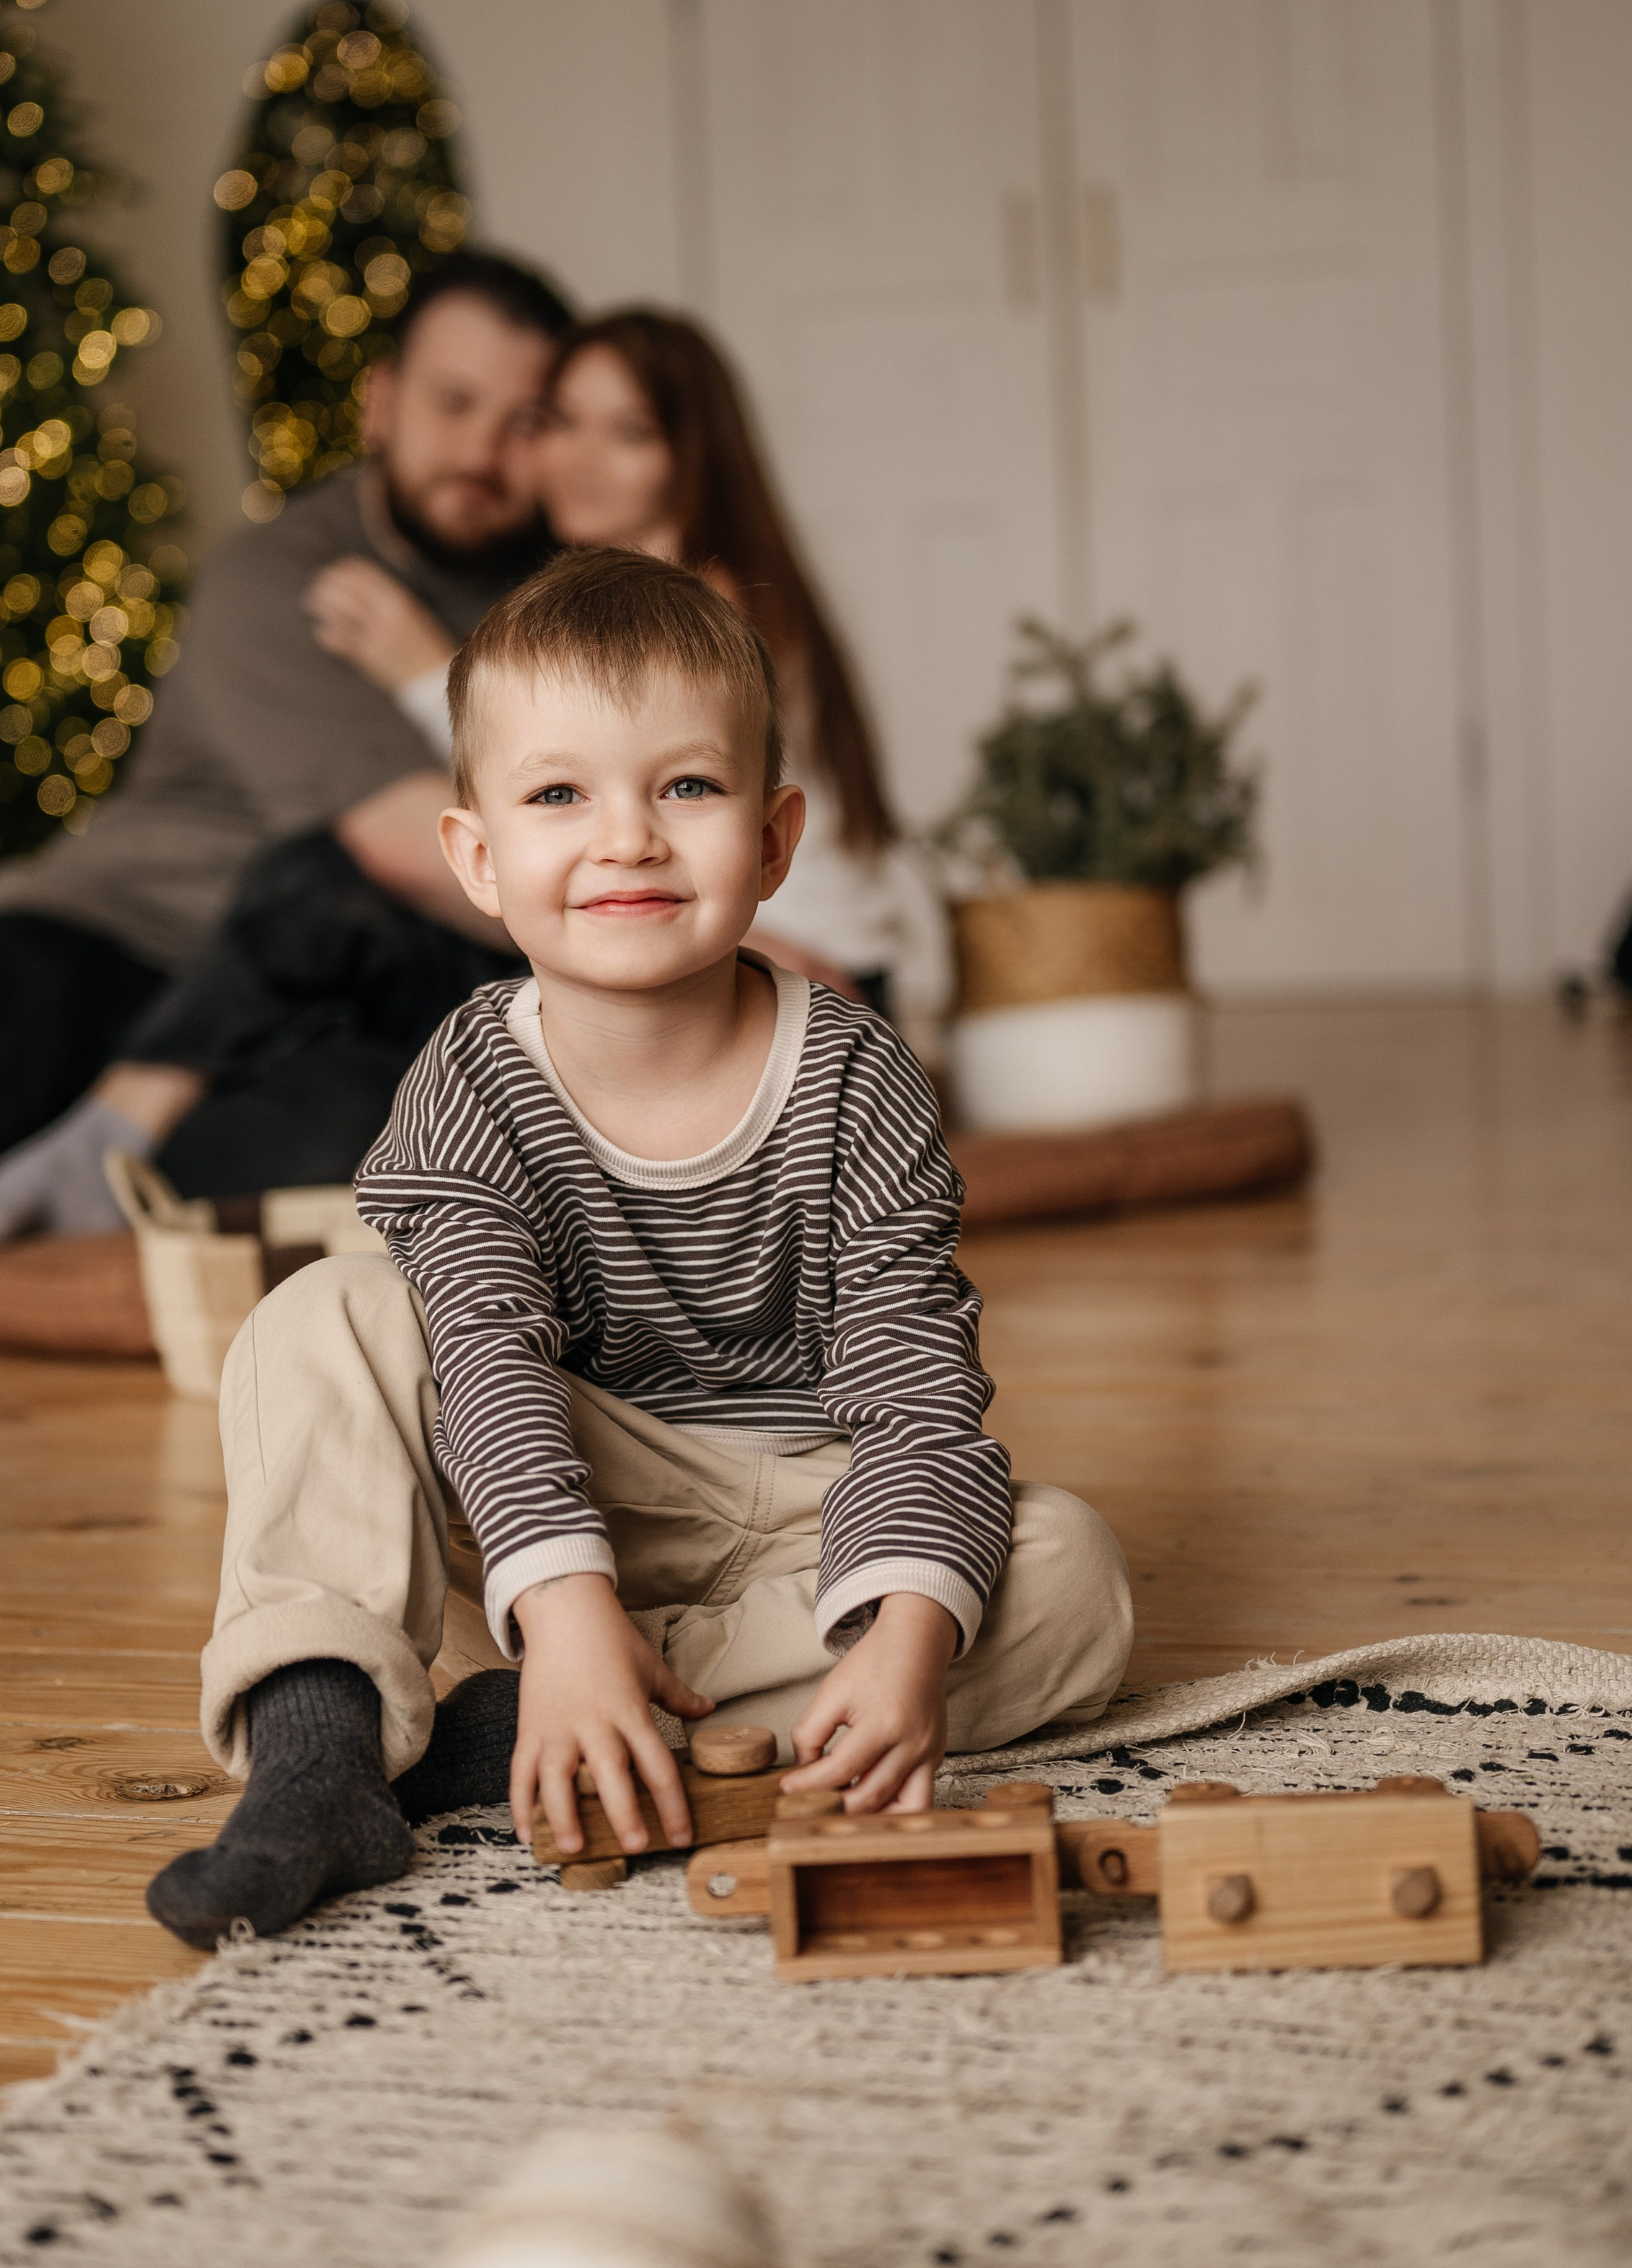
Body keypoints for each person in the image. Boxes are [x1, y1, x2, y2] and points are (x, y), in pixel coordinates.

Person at [145, 548, 1130, 1950]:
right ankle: (323, 1746)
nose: (627, 840)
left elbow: (916, 1393)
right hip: (550, 1495)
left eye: (687, 787)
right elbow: (484, 1356)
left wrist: (908, 1635)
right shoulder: (470, 1077)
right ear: (477, 857)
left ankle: (516, 1731)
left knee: (1069, 1572)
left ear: (774, 840)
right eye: (559, 794)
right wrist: (563, 1604)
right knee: (325, 1311)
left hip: (807, 1516)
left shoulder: (858, 1077)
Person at [0, 250, 572, 1253]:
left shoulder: (564, 601)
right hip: (118, 934)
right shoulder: (290, 575)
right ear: (382, 403)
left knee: (349, 1153)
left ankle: (76, 1182)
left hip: (322, 1009)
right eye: (454, 403)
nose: (481, 451)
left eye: (525, 422)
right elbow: (411, 846)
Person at [316, 306, 950, 1038]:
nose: (581, 460)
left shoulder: (701, 606)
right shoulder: (678, 588)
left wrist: (426, 671)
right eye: (561, 421)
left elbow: (576, 742)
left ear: (691, 457)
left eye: (630, 433)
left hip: (800, 965)